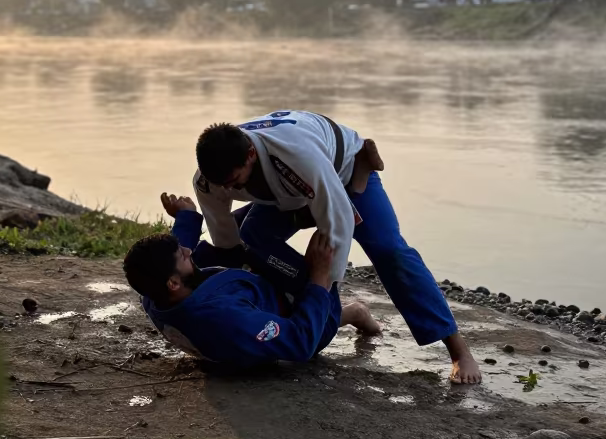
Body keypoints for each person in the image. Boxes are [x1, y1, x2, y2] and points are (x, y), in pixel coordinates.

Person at [192, 110, 481, 385]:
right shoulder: (210, 180)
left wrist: (323, 289)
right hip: (292, 193)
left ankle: (458, 350)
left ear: (250, 155)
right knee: (251, 238)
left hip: (337, 169)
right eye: (220, 185)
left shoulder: (297, 156)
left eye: (233, 182)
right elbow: (227, 242)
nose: (226, 191)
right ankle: (344, 309)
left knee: (389, 251)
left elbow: (340, 223)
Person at [122, 193, 380, 366]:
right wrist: (319, 279)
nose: (188, 251)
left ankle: (353, 312)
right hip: (306, 325)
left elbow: (171, 256)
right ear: (173, 283)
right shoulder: (224, 318)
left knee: (231, 231)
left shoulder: (155, 293)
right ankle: (331, 199)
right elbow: (300, 343)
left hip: (256, 302)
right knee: (255, 232)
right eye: (182, 256)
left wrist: (186, 216)